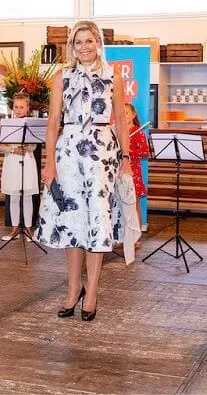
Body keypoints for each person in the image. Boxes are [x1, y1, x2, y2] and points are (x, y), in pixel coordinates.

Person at [35, 20, 132, 321]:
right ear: (72, 47)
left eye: (89, 41)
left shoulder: (112, 76)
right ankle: (74, 288)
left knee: (98, 223)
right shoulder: (61, 76)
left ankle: (92, 293)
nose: (85, 47)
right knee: (72, 222)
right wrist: (49, 161)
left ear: (98, 42)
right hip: (68, 154)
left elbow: (121, 118)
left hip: (102, 154)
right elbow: (53, 123)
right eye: (79, 42)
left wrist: (126, 158)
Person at [0, 92, 38, 241]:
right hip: (12, 161)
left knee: (27, 197)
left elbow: (35, 145)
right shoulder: (6, 124)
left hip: (27, 161)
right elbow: (1, 146)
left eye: (21, 107)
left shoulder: (32, 124)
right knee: (14, 197)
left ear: (27, 107)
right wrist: (13, 149)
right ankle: (14, 230)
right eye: (16, 107)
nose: (18, 110)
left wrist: (28, 146)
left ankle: (28, 229)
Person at [125, 102, 149, 248]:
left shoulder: (138, 132)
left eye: (126, 112)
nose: (124, 115)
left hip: (133, 172)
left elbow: (145, 152)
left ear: (133, 115)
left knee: (134, 206)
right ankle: (122, 237)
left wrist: (129, 152)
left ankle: (135, 238)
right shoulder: (116, 130)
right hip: (119, 171)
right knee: (121, 206)